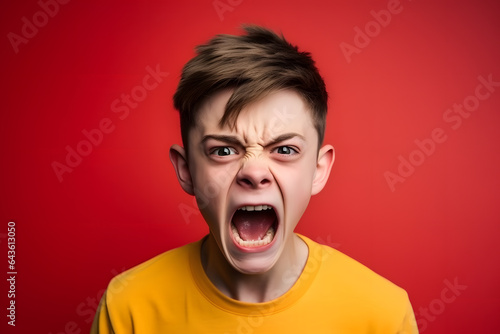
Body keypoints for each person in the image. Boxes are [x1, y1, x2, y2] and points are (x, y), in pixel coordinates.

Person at [91, 25, 419, 333]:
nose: (254, 172)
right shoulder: (128, 307)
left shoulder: (382, 314)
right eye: (222, 151)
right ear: (186, 170)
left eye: (285, 149)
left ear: (319, 170)